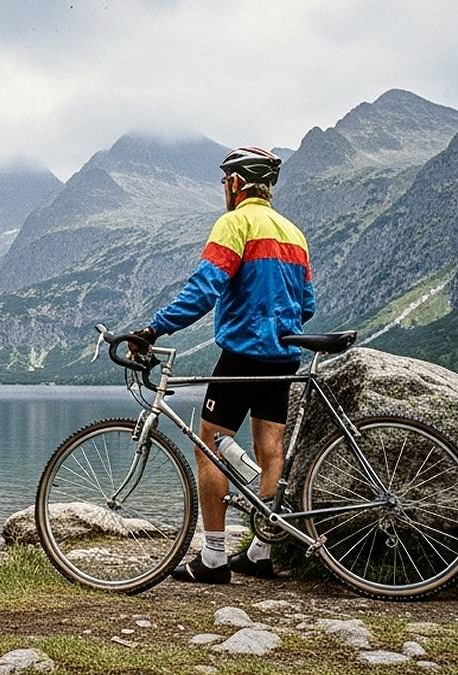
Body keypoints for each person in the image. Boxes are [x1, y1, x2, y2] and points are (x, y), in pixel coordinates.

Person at [128, 146, 315, 584]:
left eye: (224, 182)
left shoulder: (235, 223)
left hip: (241, 355)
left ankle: (213, 557)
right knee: (271, 449)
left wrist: (154, 329)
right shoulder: (294, 234)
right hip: (284, 356)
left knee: (209, 444)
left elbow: (204, 288)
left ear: (235, 183)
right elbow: (306, 305)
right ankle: (261, 552)